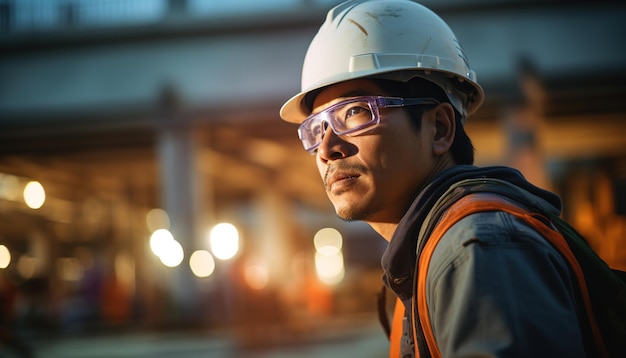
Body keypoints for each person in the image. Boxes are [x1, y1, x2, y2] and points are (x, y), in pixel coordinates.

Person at [279, 0, 603, 357]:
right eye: (316, 127)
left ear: (440, 129)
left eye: (355, 112)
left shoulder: (477, 249)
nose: (326, 148)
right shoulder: (427, 254)